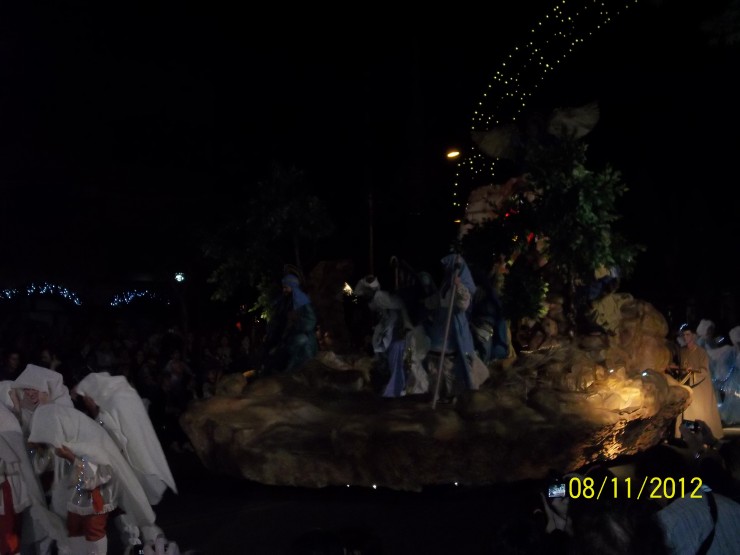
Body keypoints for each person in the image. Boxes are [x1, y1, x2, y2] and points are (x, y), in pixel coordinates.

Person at [27, 403, 165, 555]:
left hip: (96, 496)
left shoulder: (90, 443)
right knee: (75, 531)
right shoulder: (64, 443)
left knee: (94, 531)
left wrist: (71, 457)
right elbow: (44, 465)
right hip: (74, 498)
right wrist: (39, 449)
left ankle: (133, 544)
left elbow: (99, 473)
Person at [72, 372, 178, 506]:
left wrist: (95, 412)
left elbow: (108, 428)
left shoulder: (113, 402)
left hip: (129, 446)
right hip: (140, 439)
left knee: (139, 471)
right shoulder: (125, 392)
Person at [0, 381, 68, 555]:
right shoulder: (10, 420)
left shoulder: (12, 420)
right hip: (20, 487)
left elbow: (34, 460)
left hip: (25, 486)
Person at [425, 254, 487, 404]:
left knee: (450, 363)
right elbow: (436, 301)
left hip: (453, 329)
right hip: (440, 328)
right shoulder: (445, 284)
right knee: (436, 360)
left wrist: (458, 286)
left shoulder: (462, 287)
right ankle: (437, 392)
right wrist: (426, 303)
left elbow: (463, 305)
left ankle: (452, 394)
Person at [353, 275, 414, 397]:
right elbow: (358, 293)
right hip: (392, 338)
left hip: (402, 340)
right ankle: (396, 387)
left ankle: (398, 389)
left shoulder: (384, 299)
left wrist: (402, 329)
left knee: (404, 363)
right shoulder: (379, 303)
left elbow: (398, 312)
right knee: (391, 362)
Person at [261, 273, 319, 375]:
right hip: (285, 335)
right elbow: (278, 319)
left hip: (300, 335)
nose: (284, 290)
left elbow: (310, 320)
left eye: (286, 287)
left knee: (299, 341)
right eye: (283, 287)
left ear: (293, 287)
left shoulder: (302, 300)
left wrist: (295, 322)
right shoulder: (285, 301)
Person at [677, 324, 724, 441]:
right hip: (687, 386)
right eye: (684, 335)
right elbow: (681, 366)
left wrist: (693, 372)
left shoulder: (701, 352)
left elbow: (704, 370)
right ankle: (687, 435)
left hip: (699, 388)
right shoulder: (682, 351)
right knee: (687, 412)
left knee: (699, 412)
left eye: (688, 334)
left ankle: (703, 435)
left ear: (693, 336)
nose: (685, 337)